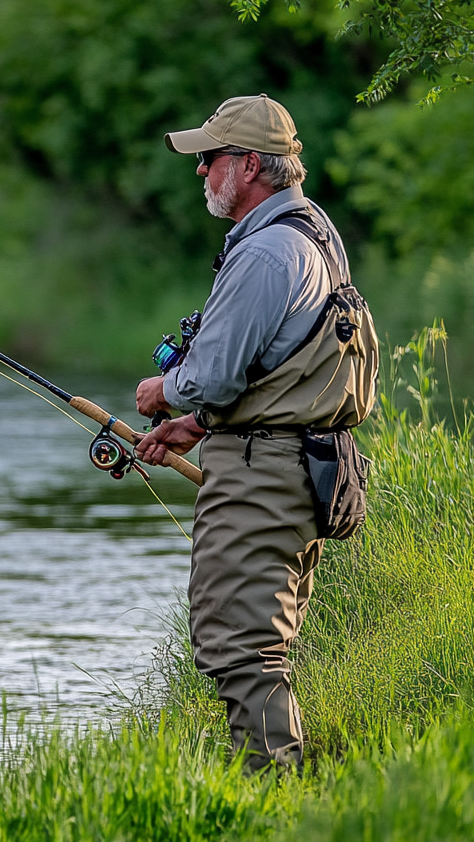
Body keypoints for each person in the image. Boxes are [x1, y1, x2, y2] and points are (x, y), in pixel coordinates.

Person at [133, 93, 376, 771]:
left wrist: (166, 394)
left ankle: (274, 793)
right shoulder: (313, 229)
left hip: (264, 476)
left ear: (246, 165)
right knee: (261, 645)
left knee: (241, 647)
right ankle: (277, 786)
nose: (201, 171)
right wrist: (194, 426)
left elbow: (209, 375)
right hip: (297, 466)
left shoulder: (268, 253)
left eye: (209, 158)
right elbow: (271, 368)